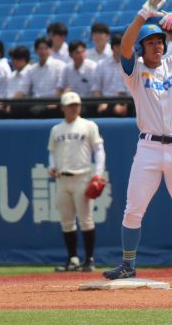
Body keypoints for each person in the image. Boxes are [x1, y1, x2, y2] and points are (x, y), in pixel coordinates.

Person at [102, 0, 172, 288]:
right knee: (133, 209)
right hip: (149, 148)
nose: (157, 45)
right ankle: (128, 265)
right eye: (150, 42)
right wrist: (143, 15)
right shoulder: (135, 71)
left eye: (160, 41)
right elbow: (125, 47)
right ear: (143, 47)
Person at [48, 91, 106, 272]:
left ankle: (89, 260)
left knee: (86, 220)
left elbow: (99, 150)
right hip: (62, 179)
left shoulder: (88, 125)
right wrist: (52, 166)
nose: (75, 108)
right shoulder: (56, 129)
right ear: (63, 108)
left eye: (77, 105)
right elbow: (52, 151)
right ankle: (72, 259)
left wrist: (98, 173)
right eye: (71, 105)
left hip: (82, 177)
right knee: (66, 221)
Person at [91, 34, 130, 117]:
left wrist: (125, 105)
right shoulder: (101, 64)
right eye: (122, 46)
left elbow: (134, 90)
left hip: (127, 101)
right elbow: (96, 89)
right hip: (106, 102)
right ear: (115, 47)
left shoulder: (132, 64)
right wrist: (101, 103)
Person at [57, 41, 98, 109]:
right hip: (71, 102)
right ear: (70, 55)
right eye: (78, 53)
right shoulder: (67, 68)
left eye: (83, 52)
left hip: (88, 103)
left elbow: (96, 90)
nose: (81, 55)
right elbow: (60, 87)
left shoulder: (92, 67)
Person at [1, 45, 32, 118]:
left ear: (24, 60)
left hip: (23, 107)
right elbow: (7, 94)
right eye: (12, 59)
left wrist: (10, 104)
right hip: (9, 106)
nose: (13, 62)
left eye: (16, 59)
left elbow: (23, 93)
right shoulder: (11, 76)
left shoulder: (31, 72)